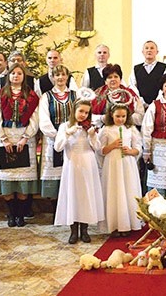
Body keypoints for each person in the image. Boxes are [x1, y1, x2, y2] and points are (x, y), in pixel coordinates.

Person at [0, 63, 40, 228]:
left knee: (22, 182)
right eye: (13, 74)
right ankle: (11, 214)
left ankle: (21, 215)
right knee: (8, 180)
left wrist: (26, 137)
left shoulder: (31, 95)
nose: (16, 76)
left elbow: (34, 118)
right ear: (8, 76)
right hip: (4, 136)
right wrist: (3, 138)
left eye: (19, 73)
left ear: (24, 76)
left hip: (24, 137)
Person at [54, 99, 104, 244]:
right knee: (73, 195)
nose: (83, 115)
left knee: (86, 195)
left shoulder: (90, 127)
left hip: (88, 163)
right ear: (74, 111)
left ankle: (85, 229)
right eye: (81, 111)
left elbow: (98, 147)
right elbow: (58, 147)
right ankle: (73, 230)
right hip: (72, 164)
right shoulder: (65, 126)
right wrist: (67, 134)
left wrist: (92, 136)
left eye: (86, 112)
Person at [38, 65, 77, 219]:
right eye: (57, 75)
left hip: (73, 140)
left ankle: (71, 211)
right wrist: (58, 136)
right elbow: (44, 120)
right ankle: (56, 213)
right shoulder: (46, 97)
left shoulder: (75, 95)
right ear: (53, 78)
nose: (60, 78)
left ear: (67, 77)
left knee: (71, 173)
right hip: (53, 140)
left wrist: (70, 134)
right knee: (56, 177)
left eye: (63, 75)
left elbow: (81, 114)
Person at [98, 103, 143, 237]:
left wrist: (131, 151)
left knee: (128, 190)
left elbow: (138, 148)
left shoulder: (131, 129)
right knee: (114, 192)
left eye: (123, 116)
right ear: (111, 115)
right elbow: (101, 150)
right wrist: (112, 146)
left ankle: (128, 224)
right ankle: (114, 225)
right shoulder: (106, 130)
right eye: (118, 116)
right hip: (112, 164)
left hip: (127, 164)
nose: (121, 119)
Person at [128, 40, 166, 109]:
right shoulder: (136, 69)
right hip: (140, 106)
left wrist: (156, 102)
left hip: (160, 105)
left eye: (152, 48)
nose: (149, 50)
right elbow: (132, 86)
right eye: (146, 48)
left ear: (157, 52)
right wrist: (142, 102)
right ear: (143, 52)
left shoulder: (165, 68)